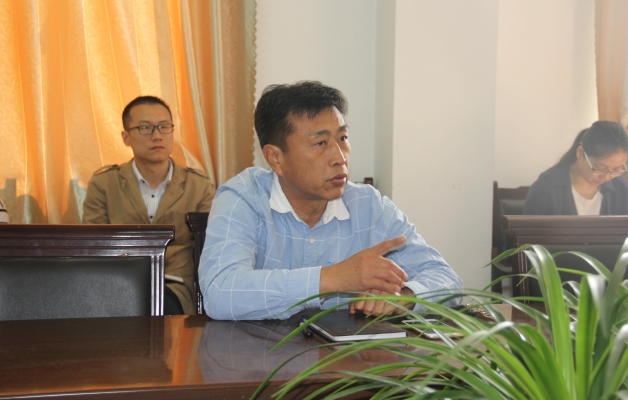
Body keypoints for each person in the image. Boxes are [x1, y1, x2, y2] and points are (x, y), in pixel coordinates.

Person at [199, 81, 462, 321]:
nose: (340, 157)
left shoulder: (369, 206)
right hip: (259, 355)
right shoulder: (243, 199)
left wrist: (404, 297)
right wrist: (331, 278)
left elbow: (447, 279)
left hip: (348, 356)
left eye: (343, 139)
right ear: (275, 158)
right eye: (321, 143)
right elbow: (221, 292)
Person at [83, 96, 216, 315]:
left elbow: (211, 247)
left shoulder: (198, 185)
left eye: (164, 127)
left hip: (175, 287)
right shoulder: (104, 184)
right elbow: (92, 246)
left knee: (156, 305)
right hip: (118, 284)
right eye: (145, 128)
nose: (157, 136)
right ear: (126, 137)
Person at [524, 120, 628, 215]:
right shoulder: (546, 187)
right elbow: (531, 231)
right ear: (580, 153)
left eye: (616, 170)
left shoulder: (620, 187)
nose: (607, 177)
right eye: (600, 168)